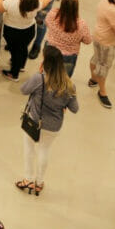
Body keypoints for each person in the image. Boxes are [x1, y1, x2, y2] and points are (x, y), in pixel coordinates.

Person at [16, 45, 79, 196]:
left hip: (34, 121)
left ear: (45, 62)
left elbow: (23, 90)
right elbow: (75, 108)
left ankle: (28, 180)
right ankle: (39, 183)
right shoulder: (69, 85)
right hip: (53, 126)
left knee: (29, 149)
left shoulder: (39, 79)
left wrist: (38, 74)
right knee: (44, 150)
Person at [0, 0, 52, 81]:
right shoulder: (36, 4)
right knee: (23, 48)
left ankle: (14, 74)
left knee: (15, 52)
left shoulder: (11, 2)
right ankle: (21, 66)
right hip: (28, 31)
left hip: (11, 31)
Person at [44, 0, 92, 77]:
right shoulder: (81, 25)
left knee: (47, 75)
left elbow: (47, 22)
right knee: (63, 79)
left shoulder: (52, 14)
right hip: (68, 56)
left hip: (50, 50)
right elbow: (88, 41)